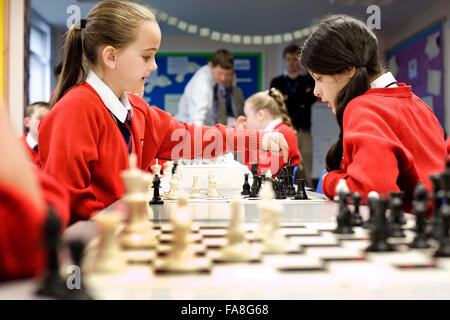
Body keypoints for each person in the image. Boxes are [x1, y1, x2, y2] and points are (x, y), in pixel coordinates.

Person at [40, 0, 288, 225]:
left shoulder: (137, 112)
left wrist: (257, 138)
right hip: (92, 253)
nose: (154, 65)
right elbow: (71, 204)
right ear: (111, 56)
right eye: (147, 56)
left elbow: (190, 138)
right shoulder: (74, 111)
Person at [299, 14, 446, 210]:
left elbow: (371, 191)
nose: (317, 91)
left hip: (401, 232)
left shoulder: (363, 107)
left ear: (349, 70)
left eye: (319, 78)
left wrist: (329, 180)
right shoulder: (419, 104)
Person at [0, 107, 70, 280]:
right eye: (39, 118)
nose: (43, 123)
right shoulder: (20, 146)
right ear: (27, 122)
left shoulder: (50, 145)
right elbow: (34, 226)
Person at [270, 44, 317, 188]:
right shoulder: (276, 82)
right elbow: (276, 104)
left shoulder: (309, 80)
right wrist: (300, 100)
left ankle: (310, 200)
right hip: (282, 132)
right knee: (279, 168)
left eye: (295, 59)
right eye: (289, 59)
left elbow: (309, 100)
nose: (291, 62)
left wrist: (288, 99)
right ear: (284, 60)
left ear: (299, 61)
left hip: (303, 130)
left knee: (305, 170)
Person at [235, 88, 301, 177]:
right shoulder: (268, 134)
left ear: (260, 115)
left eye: (247, 116)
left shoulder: (282, 133)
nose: (245, 121)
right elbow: (249, 164)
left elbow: (262, 172)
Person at [176, 49, 244, 126]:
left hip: (208, 126)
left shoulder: (219, 79)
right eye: (220, 73)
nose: (223, 78)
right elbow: (196, 120)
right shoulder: (201, 84)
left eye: (227, 74)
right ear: (210, 66)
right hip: (189, 126)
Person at [19, 101, 49, 167]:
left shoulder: (53, 148)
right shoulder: (17, 148)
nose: (44, 122)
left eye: (48, 119)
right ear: (27, 122)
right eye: (40, 118)